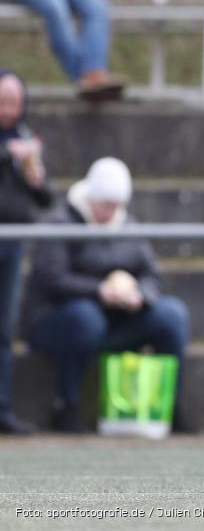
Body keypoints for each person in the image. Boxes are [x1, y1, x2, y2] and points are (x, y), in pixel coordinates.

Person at [22, 157, 193, 433]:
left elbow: (152, 274)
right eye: (104, 204)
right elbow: (52, 279)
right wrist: (101, 291)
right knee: (86, 317)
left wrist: (139, 294)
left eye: (115, 206)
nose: (109, 212)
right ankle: (66, 407)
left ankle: (169, 406)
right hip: (60, 320)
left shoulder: (128, 226)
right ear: (90, 196)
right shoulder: (59, 222)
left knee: (172, 314)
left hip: (116, 319)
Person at [0, 70, 52, 435]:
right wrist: (7, 155)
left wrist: (37, 178)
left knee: (4, 331)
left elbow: (45, 199)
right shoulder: (11, 144)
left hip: (13, 244)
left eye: (16, 101)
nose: (9, 109)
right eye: (3, 100)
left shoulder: (24, 138)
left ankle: (2, 408)